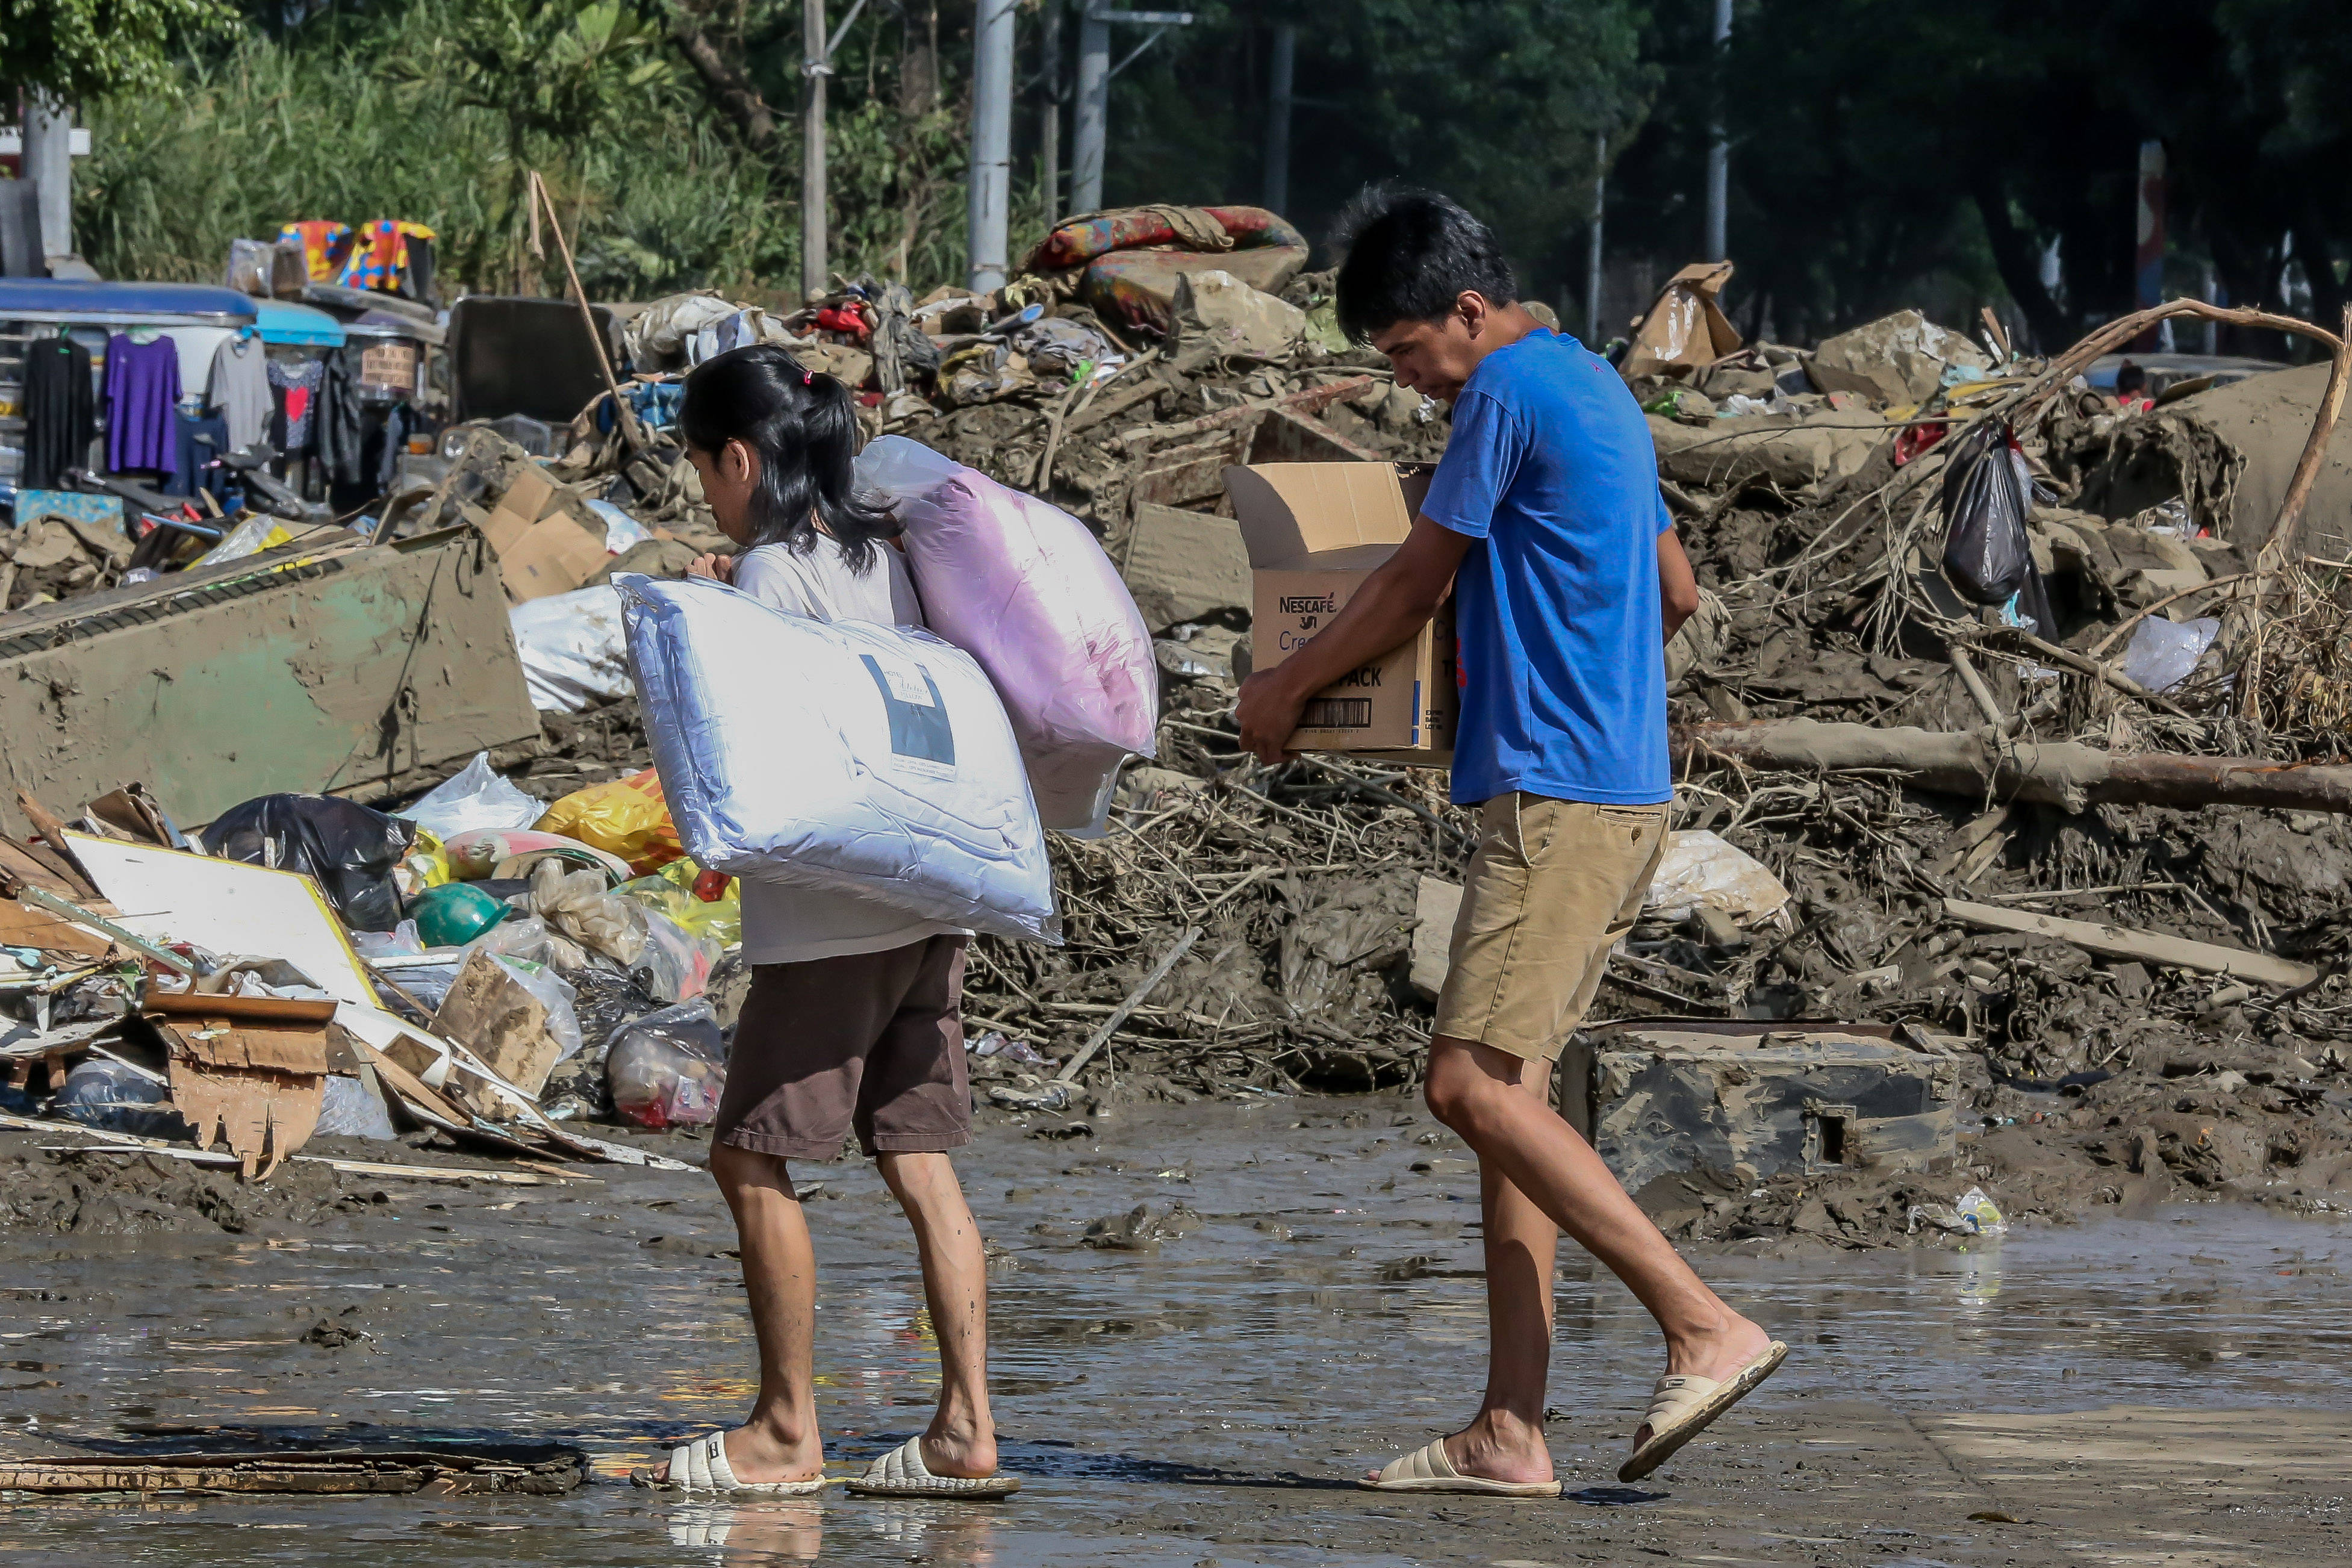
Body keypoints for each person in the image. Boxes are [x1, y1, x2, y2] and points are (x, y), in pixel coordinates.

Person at [1235, 189, 1784, 1496]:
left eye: (1407, 353)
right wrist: (1570, 666)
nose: (1411, 382)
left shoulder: (1505, 395)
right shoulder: (1598, 388)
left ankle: (1706, 1327)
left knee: (1465, 1089)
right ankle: (1508, 1432)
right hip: (1620, 791)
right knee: (1514, 1102)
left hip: (1556, 799)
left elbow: (1416, 578)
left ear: (1467, 315)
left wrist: (1285, 688)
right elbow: (1676, 590)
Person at [642, 343, 1018, 1501]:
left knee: (749, 1155)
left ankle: (784, 1433)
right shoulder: (889, 552)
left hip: (829, 929)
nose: (706, 490)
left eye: (704, 468)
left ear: (741, 459)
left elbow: (759, 754)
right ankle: (964, 1429)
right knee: (920, 1158)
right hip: (931, 900)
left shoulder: (767, 577)